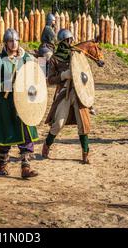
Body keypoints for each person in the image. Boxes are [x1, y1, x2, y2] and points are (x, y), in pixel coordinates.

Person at [0, 29, 39, 178]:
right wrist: (4, 85)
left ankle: (25, 166)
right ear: (5, 42)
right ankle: (3, 163)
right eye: (11, 41)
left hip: (24, 102)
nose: (14, 43)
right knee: (6, 134)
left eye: (16, 40)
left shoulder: (26, 59)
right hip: (6, 103)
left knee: (26, 132)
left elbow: (36, 76)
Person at [42, 29, 93, 164]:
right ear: (62, 41)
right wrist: (64, 75)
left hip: (79, 93)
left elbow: (85, 74)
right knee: (58, 124)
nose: (70, 42)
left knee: (83, 124)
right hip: (64, 93)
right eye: (67, 40)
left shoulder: (77, 55)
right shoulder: (54, 58)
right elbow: (51, 80)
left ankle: (85, 153)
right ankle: (47, 145)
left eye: (70, 40)